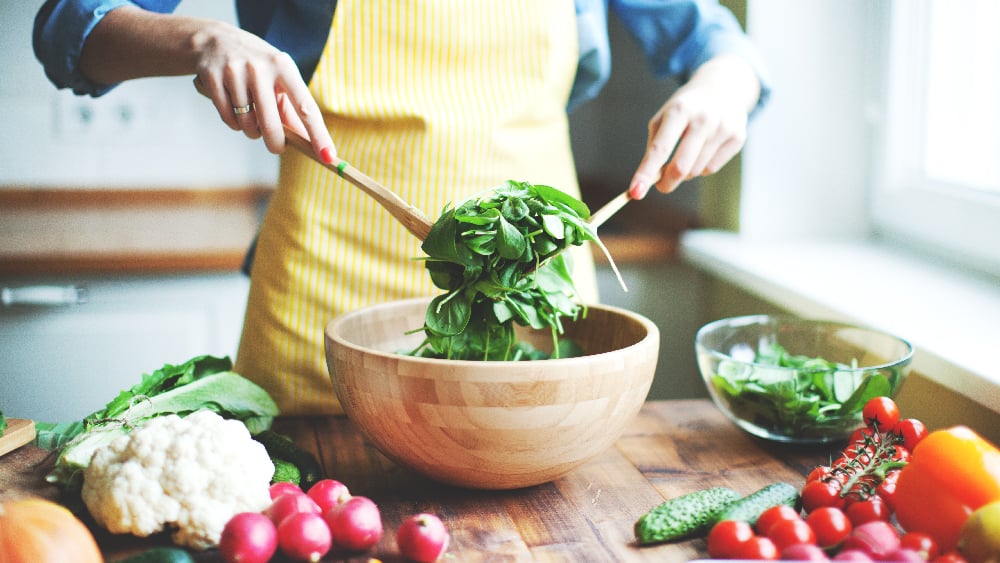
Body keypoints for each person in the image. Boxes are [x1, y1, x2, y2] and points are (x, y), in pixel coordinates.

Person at [35, 0, 770, 415]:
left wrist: (724, 84)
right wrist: (203, 39)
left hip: (535, 295)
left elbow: (714, 41)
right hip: (318, 300)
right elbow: (70, 29)